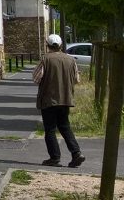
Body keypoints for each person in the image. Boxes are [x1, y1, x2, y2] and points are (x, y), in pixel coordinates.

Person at [34, 34, 85, 167]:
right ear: (61, 45)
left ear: (48, 45)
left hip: (48, 99)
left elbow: (36, 78)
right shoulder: (70, 60)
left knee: (50, 129)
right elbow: (76, 80)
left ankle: (54, 157)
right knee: (65, 126)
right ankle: (76, 153)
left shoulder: (45, 59)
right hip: (66, 98)